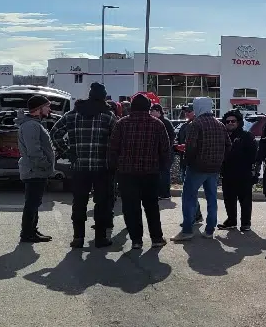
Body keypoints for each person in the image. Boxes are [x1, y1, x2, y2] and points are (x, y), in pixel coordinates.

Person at [50, 82, 118, 249]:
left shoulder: (72, 115)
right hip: (102, 168)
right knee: (101, 203)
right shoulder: (108, 116)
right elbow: (117, 141)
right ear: (103, 96)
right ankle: (100, 238)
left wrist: (66, 152)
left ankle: (78, 238)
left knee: (79, 202)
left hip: (79, 167)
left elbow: (54, 133)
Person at [107, 93, 171, 249]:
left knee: (131, 207)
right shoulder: (157, 124)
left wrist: (113, 168)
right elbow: (165, 150)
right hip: (150, 172)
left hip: (126, 173)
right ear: (148, 107)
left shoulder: (121, 124)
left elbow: (113, 149)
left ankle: (136, 240)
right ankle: (156, 238)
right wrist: (163, 168)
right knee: (151, 206)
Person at [172, 97, 231, 242]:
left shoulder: (196, 124)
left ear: (198, 107)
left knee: (188, 197)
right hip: (214, 168)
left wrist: (188, 161)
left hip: (197, 168)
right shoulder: (220, 124)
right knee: (212, 199)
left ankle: (187, 230)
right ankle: (209, 230)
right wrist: (219, 160)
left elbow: (191, 147)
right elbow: (228, 145)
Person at [17, 95, 56, 243]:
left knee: (35, 202)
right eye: (47, 106)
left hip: (37, 170)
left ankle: (32, 230)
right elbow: (34, 151)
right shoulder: (31, 126)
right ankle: (27, 233)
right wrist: (46, 164)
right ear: (38, 109)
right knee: (32, 203)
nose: (49, 109)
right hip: (34, 170)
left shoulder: (34, 124)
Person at [218, 109, 259, 231]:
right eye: (227, 121)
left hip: (244, 173)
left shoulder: (247, 136)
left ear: (238, 122)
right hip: (227, 173)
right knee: (229, 199)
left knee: (245, 200)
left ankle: (246, 223)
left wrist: (254, 172)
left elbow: (254, 156)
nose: (230, 123)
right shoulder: (222, 136)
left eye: (233, 121)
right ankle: (231, 221)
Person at [150, 103, 176, 199]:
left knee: (164, 173)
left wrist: (166, 147)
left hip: (166, 153)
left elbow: (172, 136)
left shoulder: (165, 122)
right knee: (160, 173)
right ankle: (160, 193)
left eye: (152, 111)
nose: (150, 113)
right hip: (159, 153)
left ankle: (165, 194)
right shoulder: (156, 121)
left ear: (158, 111)